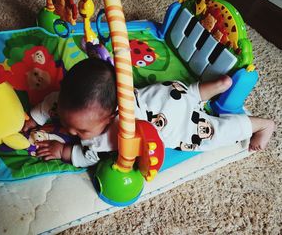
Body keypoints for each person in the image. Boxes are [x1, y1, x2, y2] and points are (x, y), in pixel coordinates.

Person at [22, 58, 275, 167]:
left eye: (81, 131)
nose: (69, 131)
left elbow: (89, 156)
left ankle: (261, 125)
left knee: (211, 135)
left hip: (175, 123)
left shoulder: (107, 137)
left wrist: (63, 151)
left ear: (111, 118)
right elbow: (53, 102)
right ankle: (212, 88)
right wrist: (34, 117)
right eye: (68, 124)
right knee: (187, 94)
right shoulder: (75, 103)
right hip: (165, 93)